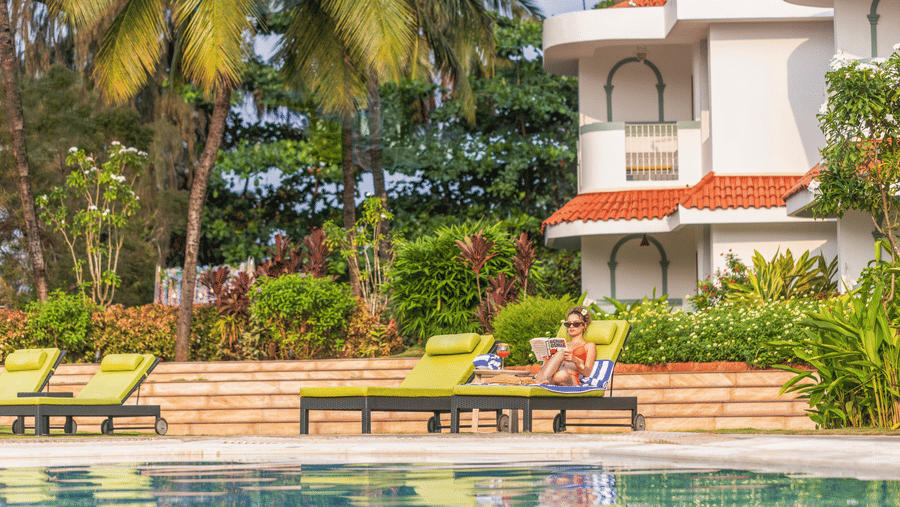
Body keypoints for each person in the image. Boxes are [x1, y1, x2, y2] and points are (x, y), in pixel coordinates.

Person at [534, 306, 597, 386]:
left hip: (570, 379)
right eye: (568, 324)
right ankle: (539, 382)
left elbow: (587, 372)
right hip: (552, 378)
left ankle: (537, 383)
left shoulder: (589, 345)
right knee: (560, 355)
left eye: (576, 324)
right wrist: (547, 361)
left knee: (561, 373)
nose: (571, 326)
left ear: (584, 325)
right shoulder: (562, 344)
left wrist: (575, 360)